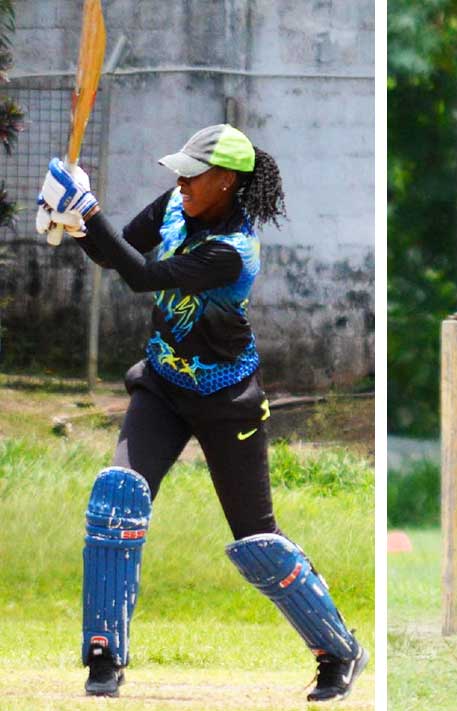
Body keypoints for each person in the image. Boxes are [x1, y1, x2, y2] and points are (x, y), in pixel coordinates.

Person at [35, 124, 369, 700]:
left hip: (226, 400)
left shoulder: (231, 251)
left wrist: (86, 211)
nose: (181, 181)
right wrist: (69, 217)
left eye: (193, 174)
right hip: (162, 385)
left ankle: (338, 651)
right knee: (116, 496)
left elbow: (143, 277)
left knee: (258, 539)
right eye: (181, 172)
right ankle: (104, 654)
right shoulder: (173, 204)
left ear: (227, 182)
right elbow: (125, 252)